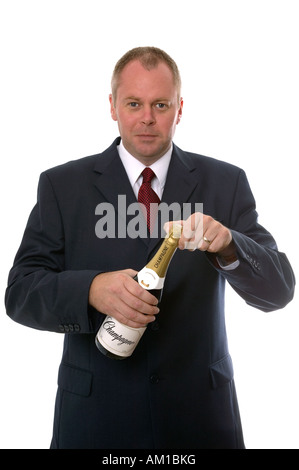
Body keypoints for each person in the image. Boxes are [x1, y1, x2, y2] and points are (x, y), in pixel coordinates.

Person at [5, 46, 295, 449]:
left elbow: (279, 291)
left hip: (200, 421)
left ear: (179, 108)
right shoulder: (61, 186)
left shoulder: (225, 182)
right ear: (112, 106)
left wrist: (230, 245)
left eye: (160, 104)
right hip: (95, 422)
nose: (147, 117)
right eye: (134, 103)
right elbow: (20, 293)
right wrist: (91, 290)